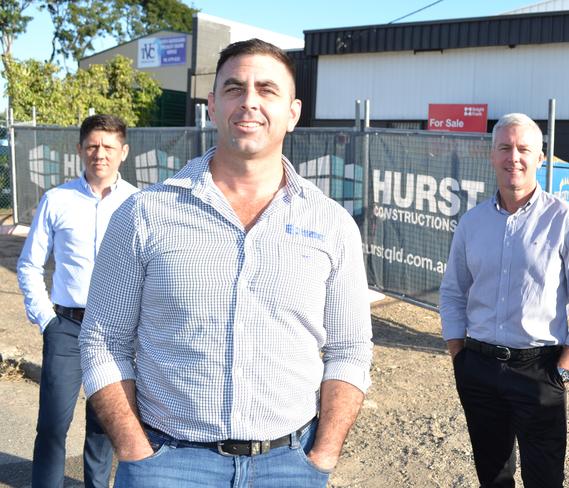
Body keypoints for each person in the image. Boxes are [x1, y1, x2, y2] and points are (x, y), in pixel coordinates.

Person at [79, 38, 373, 488]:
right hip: (168, 463)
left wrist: (322, 455)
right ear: (213, 107)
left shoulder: (331, 224)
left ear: (293, 113)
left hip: (289, 466)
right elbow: (103, 339)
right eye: (235, 89)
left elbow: (350, 350)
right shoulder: (146, 214)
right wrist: (136, 452)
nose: (250, 102)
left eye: (267, 90)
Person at [440, 113, 569, 488]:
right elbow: (452, 292)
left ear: (540, 158)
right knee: (493, 476)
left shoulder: (566, 220)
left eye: (523, 149)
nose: (513, 157)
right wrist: (459, 356)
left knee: (544, 479)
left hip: (540, 371)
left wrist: (563, 370)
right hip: (478, 368)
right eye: (504, 148)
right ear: (492, 156)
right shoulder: (472, 223)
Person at [17, 114, 138, 488]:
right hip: (66, 328)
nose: (99, 154)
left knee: (103, 428)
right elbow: (29, 264)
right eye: (92, 146)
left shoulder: (139, 203)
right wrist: (47, 321)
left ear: (123, 152)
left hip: (116, 332)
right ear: (80, 150)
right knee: (53, 425)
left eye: (108, 147)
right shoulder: (58, 200)